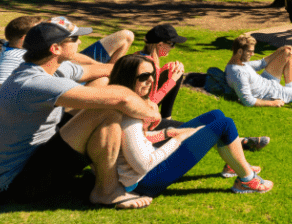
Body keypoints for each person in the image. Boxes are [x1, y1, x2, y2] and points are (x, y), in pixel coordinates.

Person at [0, 19, 159, 209]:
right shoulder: (35, 82)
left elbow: (102, 71)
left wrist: (140, 71)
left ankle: (105, 168)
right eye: (74, 39)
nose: (79, 43)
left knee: (102, 84)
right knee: (107, 109)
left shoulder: (48, 67)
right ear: (55, 48)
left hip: (35, 156)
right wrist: (151, 111)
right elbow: (122, 100)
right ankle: (107, 191)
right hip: (13, 183)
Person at [110, 54, 273, 196]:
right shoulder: (129, 120)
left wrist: (167, 133)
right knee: (224, 124)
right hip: (148, 180)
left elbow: (142, 138)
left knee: (215, 115)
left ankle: (234, 164)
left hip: (151, 165)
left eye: (152, 74)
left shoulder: (130, 106)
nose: (151, 80)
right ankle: (247, 180)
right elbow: (144, 164)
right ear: (128, 78)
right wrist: (176, 141)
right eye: (144, 76)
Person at [0, 16, 134, 99]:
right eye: (38, 30)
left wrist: (99, 65)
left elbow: (77, 63)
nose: (79, 41)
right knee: (103, 82)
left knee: (125, 37)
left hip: (66, 73)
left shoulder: (30, 50)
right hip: (56, 97)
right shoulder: (10, 62)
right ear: (25, 38)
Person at [137, 24, 187, 121]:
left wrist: (165, 69)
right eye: (172, 44)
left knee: (175, 70)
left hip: (139, 107)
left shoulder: (140, 56)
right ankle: (166, 119)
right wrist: (172, 80)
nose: (173, 48)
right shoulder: (149, 66)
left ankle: (167, 119)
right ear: (160, 44)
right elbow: (151, 102)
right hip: (142, 115)